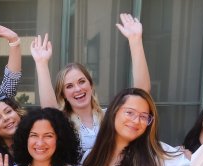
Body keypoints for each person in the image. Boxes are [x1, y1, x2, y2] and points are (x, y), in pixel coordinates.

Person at [31, 13, 150, 153]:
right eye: (69, 86)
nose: (78, 89)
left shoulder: (110, 116)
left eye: (82, 82)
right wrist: (41, 64)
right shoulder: (63, 122)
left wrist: (135, 41)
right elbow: (49, 111)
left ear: (91, 85)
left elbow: (142, 94)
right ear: (63, 94)